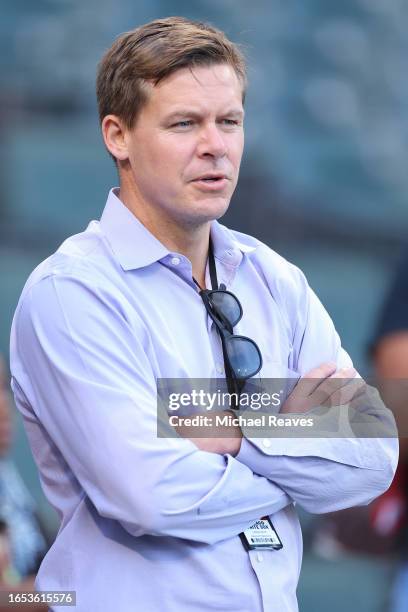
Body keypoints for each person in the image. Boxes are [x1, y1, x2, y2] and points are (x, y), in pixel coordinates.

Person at [9, 16, 398, 612]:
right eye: (184, 123)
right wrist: (293, 436)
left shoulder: (277, 279)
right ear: (118, 136)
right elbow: (148, 497)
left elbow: (370, 459)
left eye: (230, 121)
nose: (215, 145)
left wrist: (234, 433)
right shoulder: (71, 292)